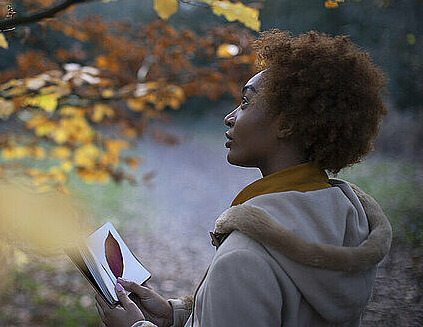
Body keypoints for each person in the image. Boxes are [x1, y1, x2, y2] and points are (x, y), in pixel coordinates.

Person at [94, 29, 392, 327]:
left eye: (246, 102)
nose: (230, 116)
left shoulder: (244, 258)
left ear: (286, 124)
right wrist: (176, 315)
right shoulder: (346, 220)